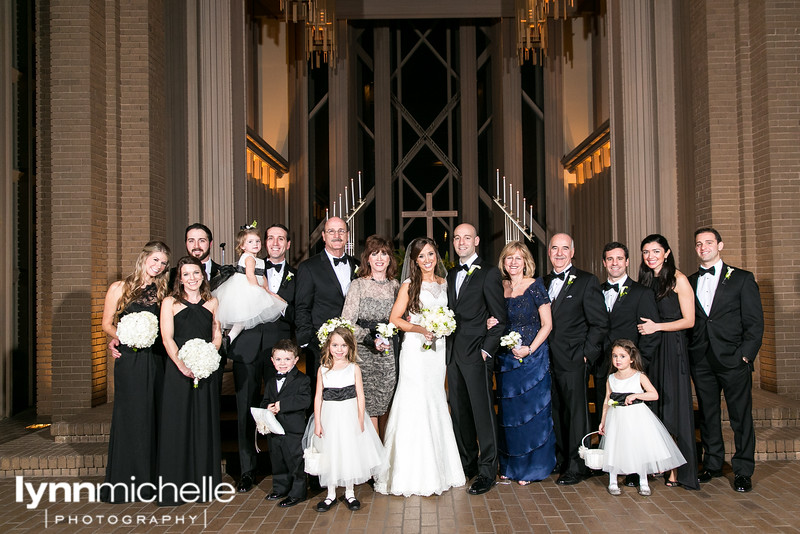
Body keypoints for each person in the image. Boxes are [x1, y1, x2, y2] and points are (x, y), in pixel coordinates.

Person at [375, 237, 466, 497]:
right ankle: (410, 471)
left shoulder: (444, 283)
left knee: (436, 400)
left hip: (437, 353)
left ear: (436, 256)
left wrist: (442, 327)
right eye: (422, 256)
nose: (427, 260)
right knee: (414, 402)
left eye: (431, 254)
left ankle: (442, 468)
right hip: (415, 350)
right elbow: (395, 319)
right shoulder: (409, 285)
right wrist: (420, 328)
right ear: (414, 261)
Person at [688, 228, 764, 493]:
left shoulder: (742, 278)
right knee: (708, 415)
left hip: (733, 359)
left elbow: (755, 323)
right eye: (699, 244)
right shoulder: (688, 281)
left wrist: (745, 355)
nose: (703, 247)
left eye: (709, 242)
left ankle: (743, 470)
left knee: (740, 417)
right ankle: (713, 463)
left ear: (720, 245)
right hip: (702, 360)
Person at [226, 223, 297, 493]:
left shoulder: (296, 274)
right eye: (270, 238)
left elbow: (297, 311)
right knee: (245, 407)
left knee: (282, 407)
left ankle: (284, 467)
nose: (275, 243)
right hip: (248, 347)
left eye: (281, 239)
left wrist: (278, 301)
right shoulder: (251, 264)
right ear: (263, 242)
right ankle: (247, 470)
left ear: (288, 244)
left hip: (280, 351)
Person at [99, 241, 171, 502]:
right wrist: (123, 336)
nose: (159, 266)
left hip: (155, 360)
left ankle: (150, 481)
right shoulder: (119, 287)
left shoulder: (164, 292)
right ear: (143, 258)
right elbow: (106, 323)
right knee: (130, 415)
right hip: (129, 360)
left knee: (153, 414)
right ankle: (126, 482)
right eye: (155, 260)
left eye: (163, 263)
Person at [486, 241, 555, 484]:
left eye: (518, 258)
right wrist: (490, 323)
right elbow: (494, 315)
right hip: (505, 359)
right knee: (509, 415)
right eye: (508, 258)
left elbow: (547, 324)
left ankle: (531, 468)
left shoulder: (535, 286)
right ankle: (510, 465)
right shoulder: (500, 286)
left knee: (531, 414)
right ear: (503, 263)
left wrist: (530, 349)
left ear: (526, 261)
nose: (513, 262)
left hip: (532, 358)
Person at [158, 256, 223, 506]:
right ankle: (176, 486)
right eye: (186, 274)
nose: (192, 278)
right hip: (178, 371)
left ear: (202, 275)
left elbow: (216, 335)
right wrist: (182, 365)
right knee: (178, 424)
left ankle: (203, 485)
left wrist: (208, 357)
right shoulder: (170, 302)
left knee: (203, 422)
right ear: (180, 278)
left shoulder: (213, 301)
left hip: (205, 371)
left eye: (196, 273)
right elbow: (167, 338)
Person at [447, 224, 507, 495]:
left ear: (477, 241)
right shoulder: (449, 275)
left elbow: (499, 319)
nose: (461, 242)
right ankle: (467, 464)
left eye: (467, 237)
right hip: (452, 356)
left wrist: (486, 350)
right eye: (457, 238)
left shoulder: (490, 273)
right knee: (460, 414)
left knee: (483, 415)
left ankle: (487, 471)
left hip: (477, 354)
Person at [544, 232, 608, 486]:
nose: (559, 253)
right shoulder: (542, 281)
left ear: (573, 252)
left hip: (573, 359)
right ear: (549, 252)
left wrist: (586, 355)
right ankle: (560, 459)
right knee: (555, 411)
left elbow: (600, 323)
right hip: (546, 360)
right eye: (554, 248)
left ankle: (577, 465)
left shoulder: (587, 281)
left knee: (576, 414)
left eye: (564, 249)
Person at [637, 234, 699, 490]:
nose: (651, 256)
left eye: (656, 251)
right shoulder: (646, 279)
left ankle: (677, 469)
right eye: (646, 252)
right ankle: (657, 462)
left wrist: (657, 327)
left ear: (667, 252)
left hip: (672, 349)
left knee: (673, 407)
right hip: (651, 350)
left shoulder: (679, 279)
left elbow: (689, 321)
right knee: (656, 408)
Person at [598, 241, 661, 489]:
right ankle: (614, 464)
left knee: (633, 424)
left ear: (626, 262)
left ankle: (636, 470)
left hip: (631, 371)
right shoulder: (596, 289)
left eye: (619, 258)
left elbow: (651, 334)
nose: (614, 263)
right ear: (604, 263)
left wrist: (634, 368)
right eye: (609, 259)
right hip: (604, 366)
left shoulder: (642, 293)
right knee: (611, 420)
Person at [306, 327, 387, 512]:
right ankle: (331, 494)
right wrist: (318, 422)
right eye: (335, 345)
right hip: (330, 416)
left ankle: (350, 492)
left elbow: (360, 395)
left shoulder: (354, 368)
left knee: (349, 451)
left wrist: (360, 418)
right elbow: (318, 396)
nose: (339, 349)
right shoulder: (323, 369)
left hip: (350, 415)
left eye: (343, 345)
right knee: (331, 451)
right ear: (328, 346)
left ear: (350, 347)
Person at [599, 339, 686, 497]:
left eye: (622, 356)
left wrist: (636, 395)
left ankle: (643, 481)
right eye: (615, 356)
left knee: (639, 447)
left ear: (631, 358)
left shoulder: (639, 376)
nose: (618, 359)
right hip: (617, 417)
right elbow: (607, 400)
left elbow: (654, 394)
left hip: (636, 417)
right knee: (615, 447)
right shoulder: (611, 378)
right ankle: (613, 480)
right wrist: (603, 421)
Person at [341, 235, 400, 434]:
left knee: (388, 402)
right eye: (375, 254)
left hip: (390, 353)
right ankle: (374, 458)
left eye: (384, 254)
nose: (380, 258)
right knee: (368, 406)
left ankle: (387, 450)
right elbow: (347, 322)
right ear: (367, 258)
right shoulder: (357, 285)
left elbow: (403, 318)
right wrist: (369, 337)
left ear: (390, 259)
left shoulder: (396, 286)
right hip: (364, 354)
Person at [295, 216, 359, 393]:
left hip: (352, 344)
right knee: (321, 395)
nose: (337, 235)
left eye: (341, 231)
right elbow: (302, 307)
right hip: (320, 346)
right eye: (331, 231)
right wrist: (307, 342)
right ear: (323, 236)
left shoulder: (358, 266)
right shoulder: (309, 267)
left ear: (347, 235)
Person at [213, 224, 286, 345]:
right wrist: (259, 289)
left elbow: (260, 275)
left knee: (243, 319)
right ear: (242, 246)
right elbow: (250, 275)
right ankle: (227, 338)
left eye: (257, 241)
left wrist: (266, 288)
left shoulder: (257, 259)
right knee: (242, 318)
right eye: (250, 242)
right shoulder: (249, 258)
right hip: (246, 288)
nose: (255, 244)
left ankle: (228, 338)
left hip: (252, 286)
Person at [261, 339, 312, 507]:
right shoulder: (270, 381)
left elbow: (304, 400)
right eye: (278, 359)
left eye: (287, 359)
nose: (282, 363)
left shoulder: (302, 380)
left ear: (296, 360)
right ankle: (280, 489)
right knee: (278, 460)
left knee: (295, 461)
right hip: (275, 429)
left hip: (293, 429)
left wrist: (281, 406)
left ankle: (298, 493)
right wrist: (267, 407)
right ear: (272, 360)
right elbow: (265, 400)